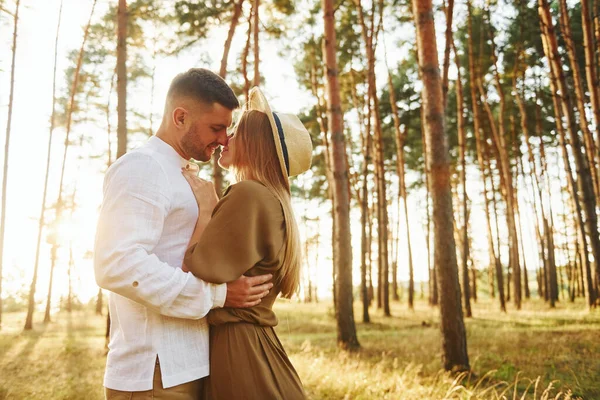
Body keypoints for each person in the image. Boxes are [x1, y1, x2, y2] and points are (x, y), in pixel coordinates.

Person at [94, 68, 274, 399]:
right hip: (154, 373)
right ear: (180, 117)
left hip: (190, 365)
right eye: (216, 128)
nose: (223, 140)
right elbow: (116, 264)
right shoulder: (142, 167)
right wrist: (218, 295)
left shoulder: (182, 173)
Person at [182, 87, 312, 400]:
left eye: (237, 131)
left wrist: (204, 210)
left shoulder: (249, 194)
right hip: (259, 345)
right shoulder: (272, 200)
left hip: (240, 350)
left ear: (256, 143)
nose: (225, 138)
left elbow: (195, 265)